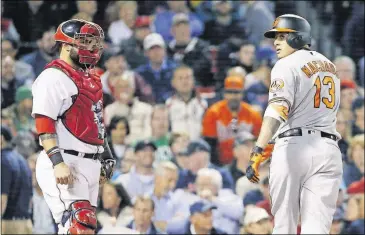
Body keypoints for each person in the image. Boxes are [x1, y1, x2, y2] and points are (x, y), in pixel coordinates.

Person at [245, 14, 343, 234]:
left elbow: (277, 108)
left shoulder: (285, 64)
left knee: (284, 227)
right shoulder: (330, 66)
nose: (276, 42)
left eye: (282, 36)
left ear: (298, 37)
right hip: (328, 150)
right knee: (317, 228)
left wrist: (259, 148)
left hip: (294, 148)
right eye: (275, 38)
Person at [31, 19, 116, 234]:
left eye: (95, 43)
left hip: (90, 162)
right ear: (67, 44)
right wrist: (58, 162)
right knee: (78, 225)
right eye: (86, 42)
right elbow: (44, 123)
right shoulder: (52, 77)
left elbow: (96, 122)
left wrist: (106, 155)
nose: (93, 49)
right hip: (64, 160)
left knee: (84, 227)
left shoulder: (91, 79)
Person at [202, 76, 262, 165]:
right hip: (220, 162)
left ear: (242, 94)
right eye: (230, 92)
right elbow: (210, 144)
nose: (233, 96)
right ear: (224, 93)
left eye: (237, 92)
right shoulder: (213, 113)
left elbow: (259, 143)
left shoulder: (253, 114)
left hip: (247, 162)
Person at [1, 125, 33, 234]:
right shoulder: (21, 159)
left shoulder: (3, 160)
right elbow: (30, 200)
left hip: (9, 224)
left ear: (1, 138)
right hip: (26, 222)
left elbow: (2, 199)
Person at [166, 65, 208, 140]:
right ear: (173, 82)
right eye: (180, 78)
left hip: (198, 147)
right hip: (176, 147)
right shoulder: (167, 105)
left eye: (188, 78)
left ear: (193, 81)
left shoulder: (203, 104)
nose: (184, 81)